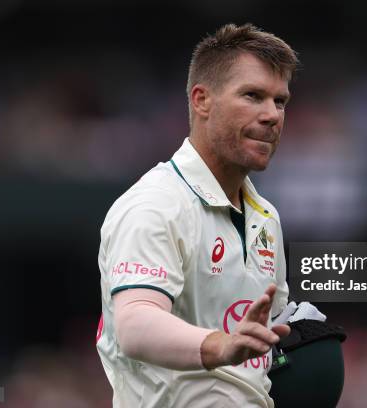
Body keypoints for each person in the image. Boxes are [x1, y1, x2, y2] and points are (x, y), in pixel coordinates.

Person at [96, 23, 299, 408]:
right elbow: (136, 326)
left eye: (280, 101)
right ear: (202, 100)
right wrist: (222, 346)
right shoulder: (154, 205)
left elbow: (262, 349)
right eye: (253, 95)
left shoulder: (265, 217)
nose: (272, 114)